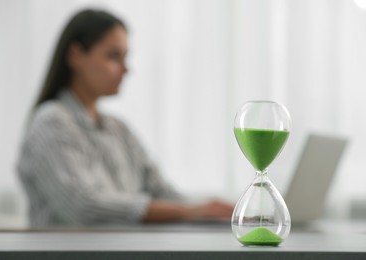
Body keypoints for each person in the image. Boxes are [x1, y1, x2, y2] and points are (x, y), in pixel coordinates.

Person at [17, 9, 233, 227]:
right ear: (75, 55)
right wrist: (188, 212)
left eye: (125, 57)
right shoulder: (51, 122)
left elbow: (160, 191)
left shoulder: (117, 129)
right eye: (114, 56)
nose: (126, 69)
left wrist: (211, 211)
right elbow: (83, 206)